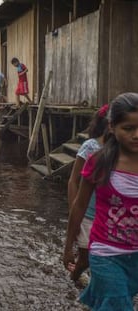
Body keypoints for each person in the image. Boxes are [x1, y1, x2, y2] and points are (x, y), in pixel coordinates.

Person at [63, 92, 138, 310]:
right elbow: (79, 204)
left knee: (121, 297)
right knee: (117, 302)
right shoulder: (98, 162)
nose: (136, 135)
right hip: (106, 252)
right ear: (112, 127)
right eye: (128, 129)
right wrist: (69, 245)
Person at [66, 104, 109, 283]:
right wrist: (74, 212)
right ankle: (74, 277)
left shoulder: (126, 153)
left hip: (108, 216)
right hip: (88, 214)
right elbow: (73, 181)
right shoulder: (91, 146)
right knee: (85, 259)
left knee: (105, 259)